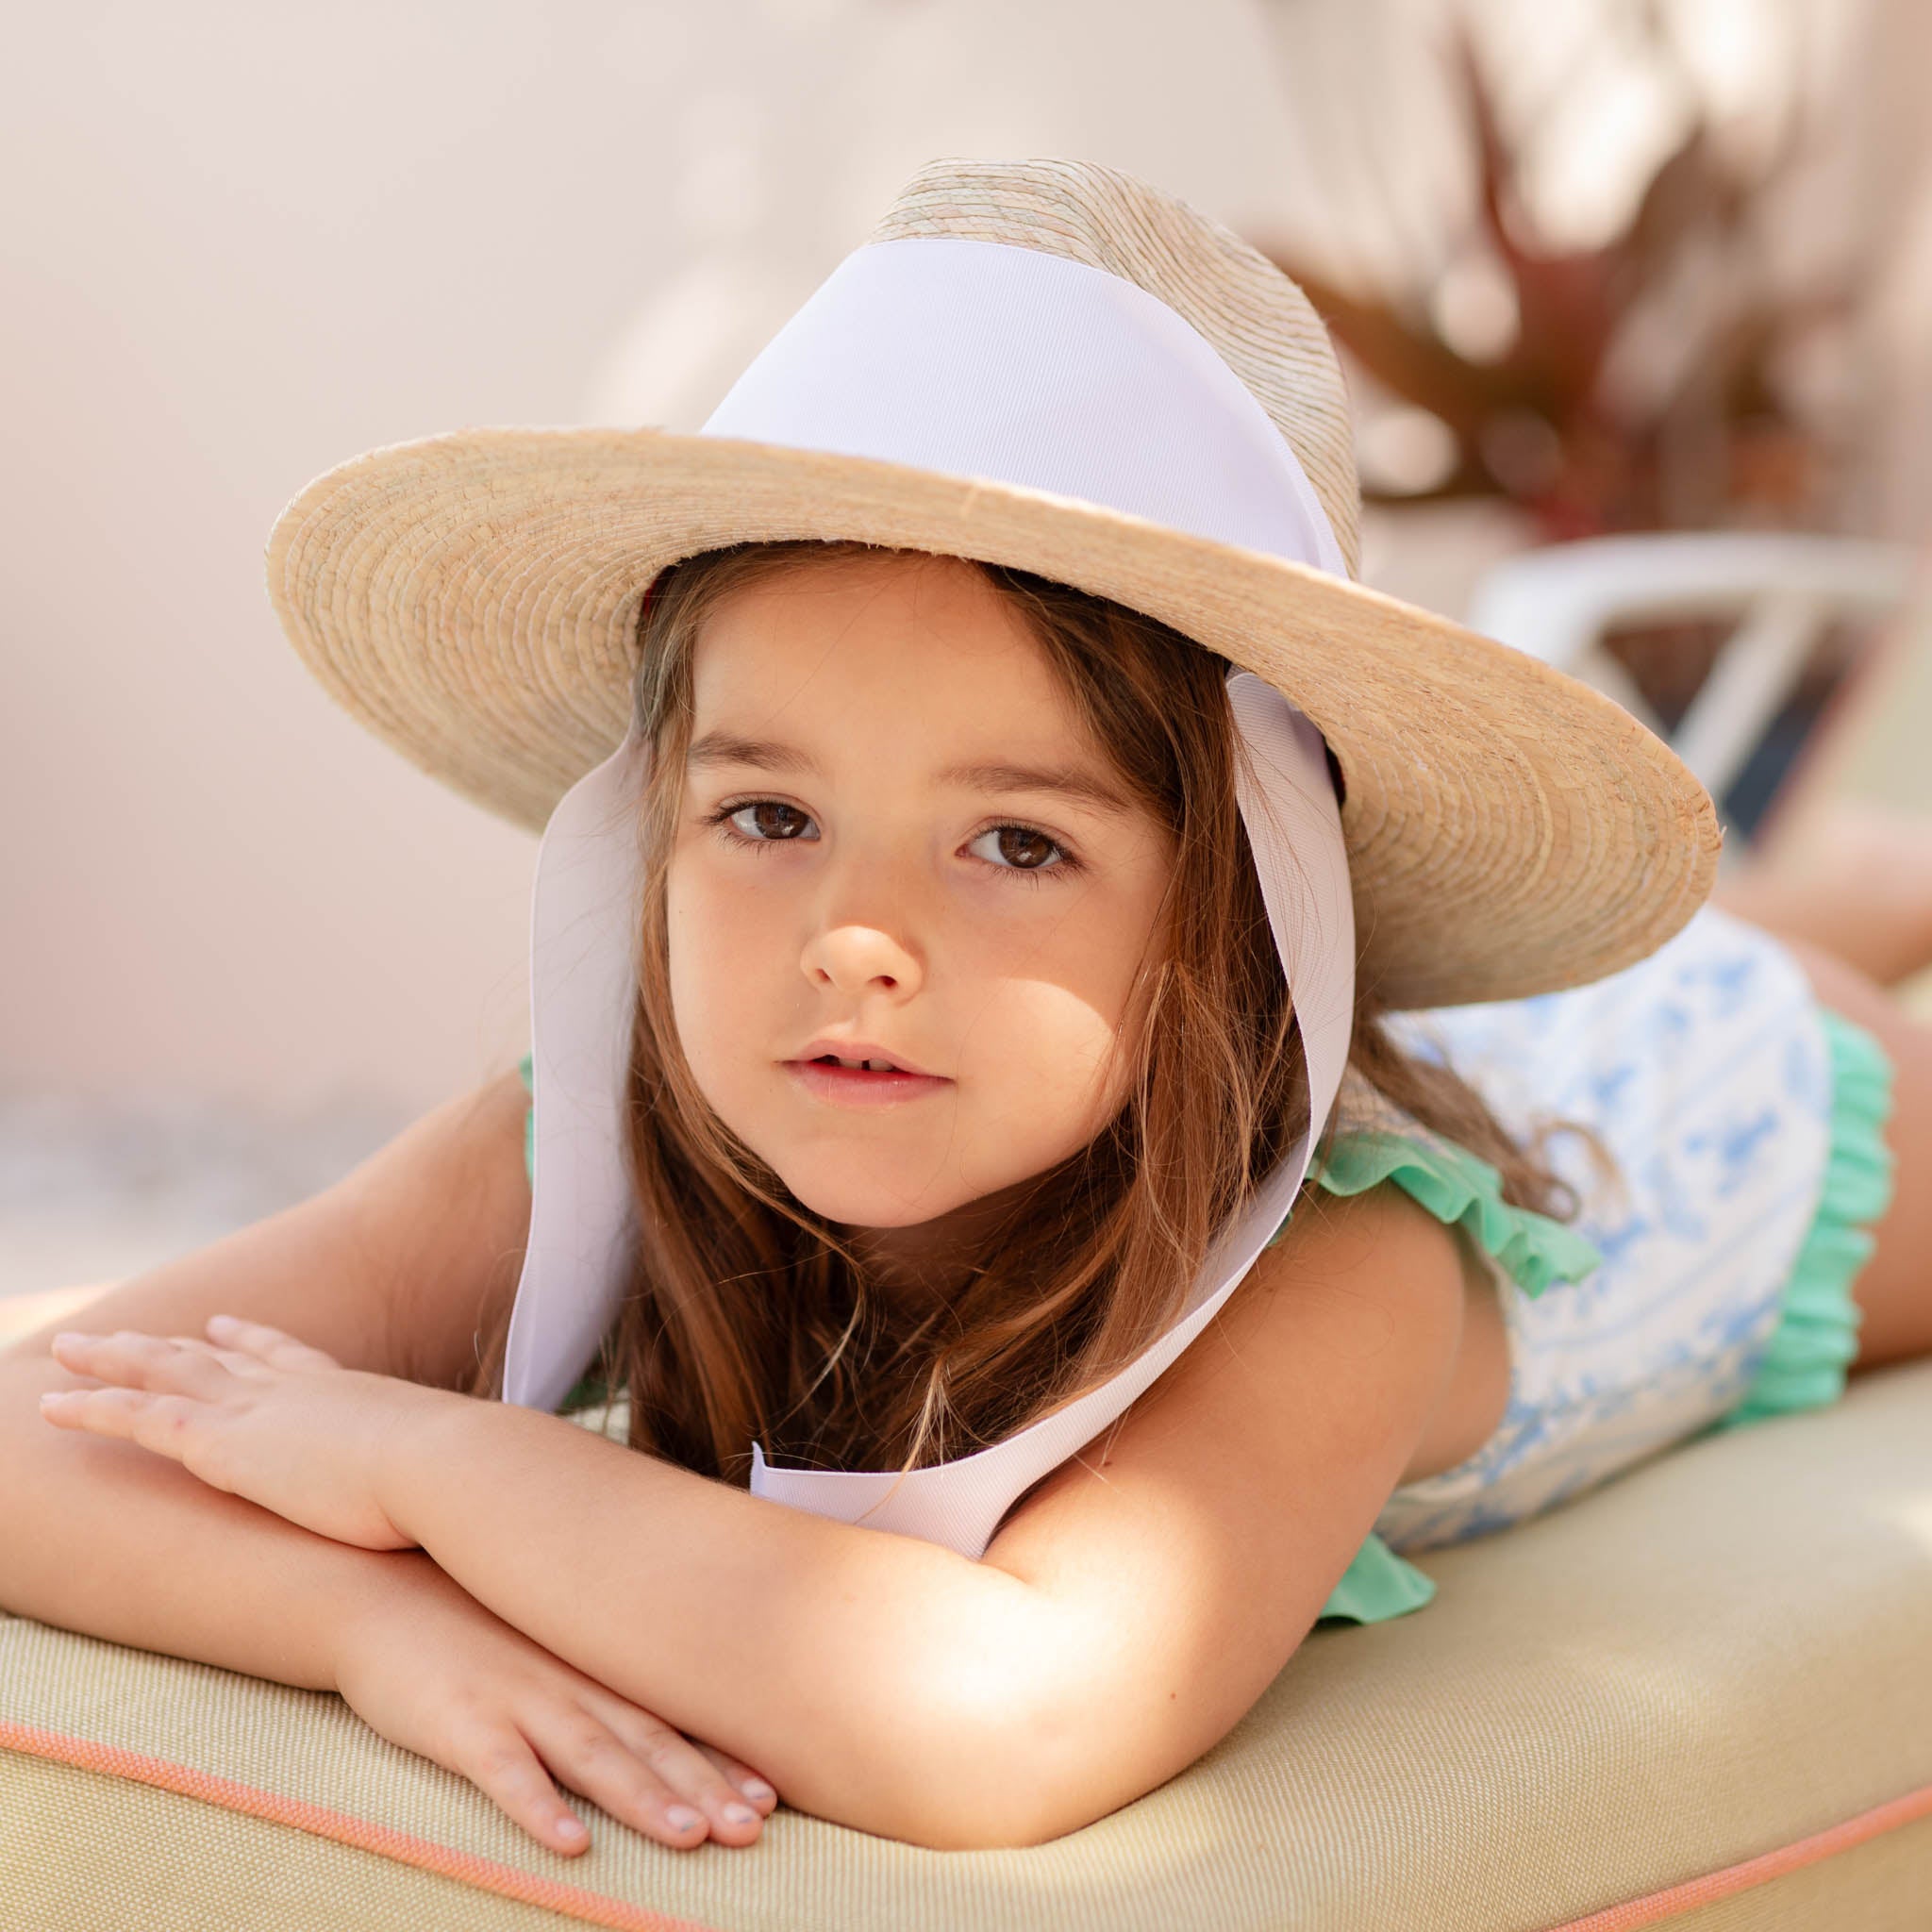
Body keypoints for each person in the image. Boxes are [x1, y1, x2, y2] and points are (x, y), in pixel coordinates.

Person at [8, 158, 1925, 1863]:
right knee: (1782, 911)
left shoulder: (1351, 1260)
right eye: (767, 814)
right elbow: (38, 1427)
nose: (853, 941)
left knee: (1781, 968)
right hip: (1597, 1032)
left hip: (1729, 1110)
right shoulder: (591, 1119)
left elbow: (1003, 1721)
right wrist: (370, 1620)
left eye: (1011, 842)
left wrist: (436, 1461)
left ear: (1235, 923)